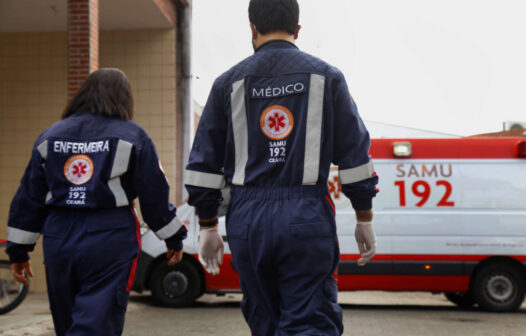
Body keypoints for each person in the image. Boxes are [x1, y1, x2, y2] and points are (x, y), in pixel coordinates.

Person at [185, 0, 379, 334]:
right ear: (298, 30)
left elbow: (203, 165)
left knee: (265, 321)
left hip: (247, 221)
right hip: (306, 215)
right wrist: (364, 217)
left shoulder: (226, 84)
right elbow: (355, 155)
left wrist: (207, 226)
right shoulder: (327, 78)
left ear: (252, 29)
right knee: (309, 321)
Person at [5, 68, 187, 336]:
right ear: (125, 99)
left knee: (66, 322)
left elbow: (29, 197)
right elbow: (154, 194)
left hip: (59, 236)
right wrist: (173, 238)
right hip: (111, 236)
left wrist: (18, 252)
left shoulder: (50, 136)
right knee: (99, 321)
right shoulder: (133, 136)